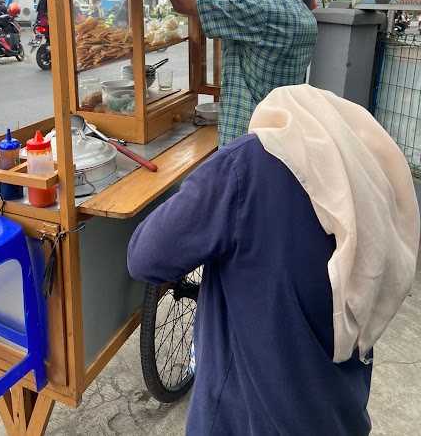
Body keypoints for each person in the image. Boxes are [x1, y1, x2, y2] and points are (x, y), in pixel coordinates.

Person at [127, 84, 420, 436]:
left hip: (247, 420)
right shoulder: (367, 185)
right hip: (339, 415)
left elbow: (144, 256)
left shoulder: (248, 164)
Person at [156, 0, 318, 145]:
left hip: (247, 148)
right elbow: (225, 7)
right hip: (274, 143)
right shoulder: (299, 12)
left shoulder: (262, 8)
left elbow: (184, 3)